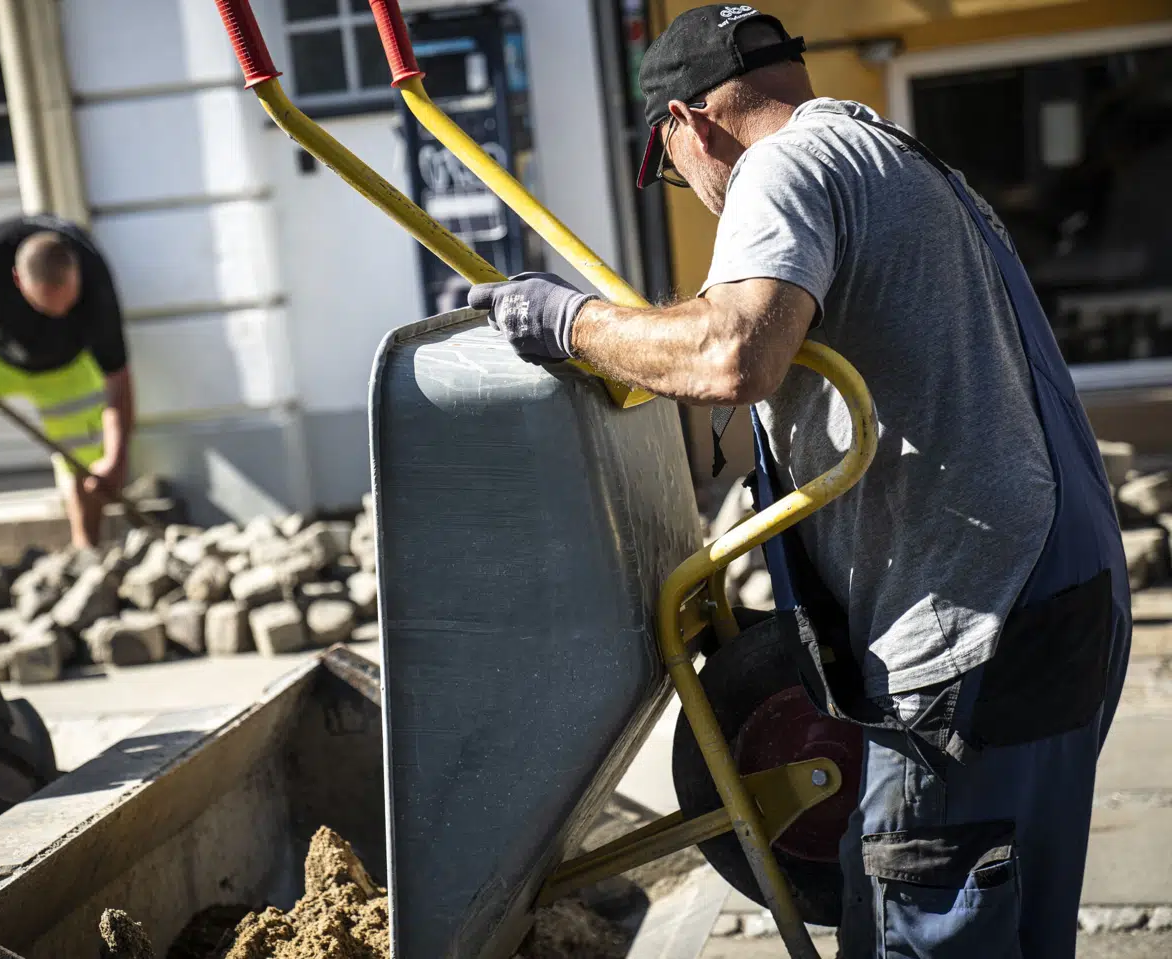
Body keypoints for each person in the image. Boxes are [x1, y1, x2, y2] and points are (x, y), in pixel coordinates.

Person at [468, 6, 1130, 957]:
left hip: (972, 631)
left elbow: (735, 351)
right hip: (1058, 601)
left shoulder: (780, 169)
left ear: (687, 125)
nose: (696, 197)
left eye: (671, 171)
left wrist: (569, 324)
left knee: (935, 922)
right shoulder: (896, 157)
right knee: (1011, 924)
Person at [0, 215, 135, 571]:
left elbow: (118, 379)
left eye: (68, 304)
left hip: (67, 365)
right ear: (18, 280)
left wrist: (115, 458)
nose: (59, 314)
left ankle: (86, 555)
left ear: (75, 274)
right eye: (47, 307)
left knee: (89, 453)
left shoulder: (96, 282)